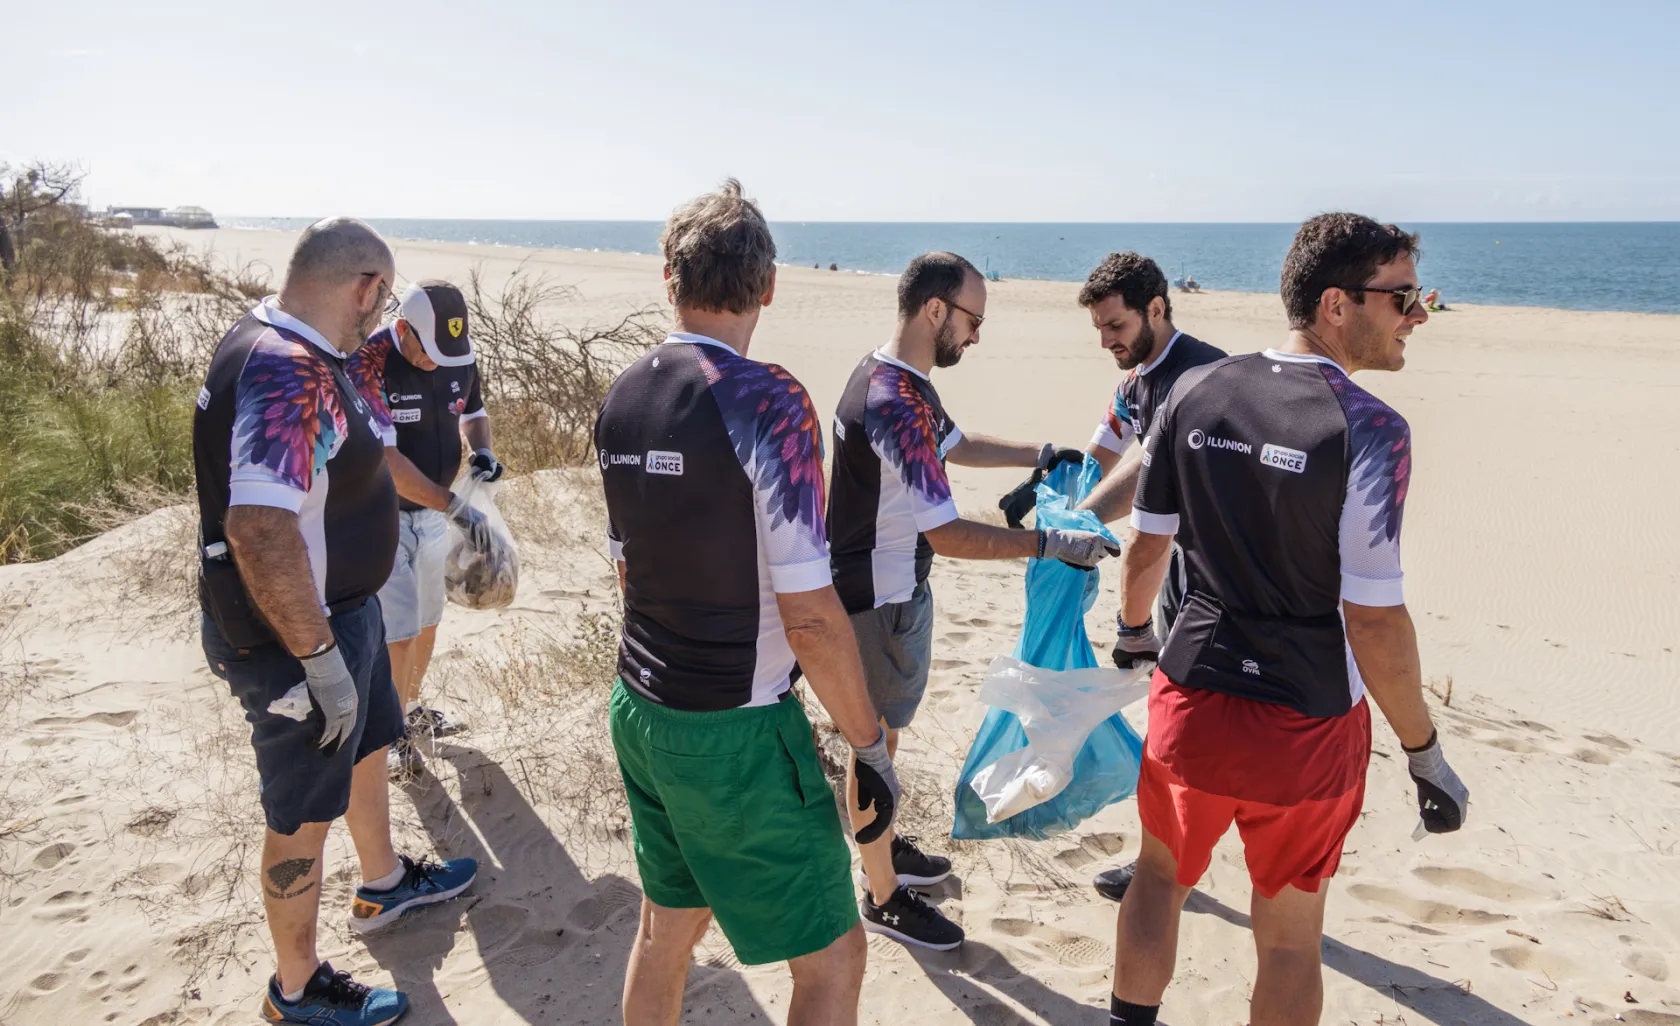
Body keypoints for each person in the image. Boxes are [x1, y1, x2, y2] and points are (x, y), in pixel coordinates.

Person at [1104, 213, 1469, 1026]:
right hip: (1305, 722)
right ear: (1337, 303)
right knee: (1292, 940)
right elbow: (1373, 622)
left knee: (1158, 877)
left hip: (1193, 691)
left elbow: (1146, 549)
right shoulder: (1372, 429)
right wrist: (1425, 754)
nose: (1418, 314)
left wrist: (1134, 637)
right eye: (1403, 296)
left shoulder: (1194, 389)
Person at [595, 180, 894, 1026]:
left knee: (666, 927)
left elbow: (628, 574)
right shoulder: (769, 400)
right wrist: (868, 743)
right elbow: (810, 615)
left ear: (670, 277)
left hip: (643, 705)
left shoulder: (623, 395)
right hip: (736, 728)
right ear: (767, 284)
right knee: (833, 958)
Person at [192, 218, 477, 1025]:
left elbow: (374, 454)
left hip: (347, 614)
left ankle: (382, 883)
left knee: (371, 744)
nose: (381, 317)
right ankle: (296, 987)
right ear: (364, 287)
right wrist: (318, 659)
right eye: (381, 300)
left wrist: (451, 504)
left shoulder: (322, 356)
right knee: (303, 815)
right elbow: (258, 526)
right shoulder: (284, 367)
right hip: (296, 639)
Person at [828, 251, 1117, 950]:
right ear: (936, 310)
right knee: (872, 749)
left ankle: (881, 850)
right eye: (973, 319)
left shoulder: (896, 379)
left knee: (882, 741)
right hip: (877, 603)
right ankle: (882, 896)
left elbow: (954, 444)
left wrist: (1040, 453)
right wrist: (1049, 544)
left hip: (887, 594)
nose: (977, 335)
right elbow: (949, 534)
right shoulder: (896, 403)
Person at [1070, 252, 1227, 904]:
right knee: (1176, 723)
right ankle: (1166, 856)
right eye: (1099, 328)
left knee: (1183, 727)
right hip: (1175, 572)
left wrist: (1080, 523)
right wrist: (1061, 500)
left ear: (1156, 309)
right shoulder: (1138, 379)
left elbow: (1145, 484)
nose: (1106, 341)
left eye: (1116, 326)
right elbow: (1102, 452)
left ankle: (1164, 865)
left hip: (1216, 582)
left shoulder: (1203, 376)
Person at [346, 279, 503, 778]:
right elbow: (387, 462)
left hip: (434, 517)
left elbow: (473, 413)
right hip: (380, 519)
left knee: (429, 620)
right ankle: (390, 733)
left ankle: (411, 709)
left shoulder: (456, 354)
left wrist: (482, 450)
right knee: (398, 632)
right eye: (430, 351)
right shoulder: (369, 364)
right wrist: (456, 507)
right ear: (403, 329)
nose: (439, 362)